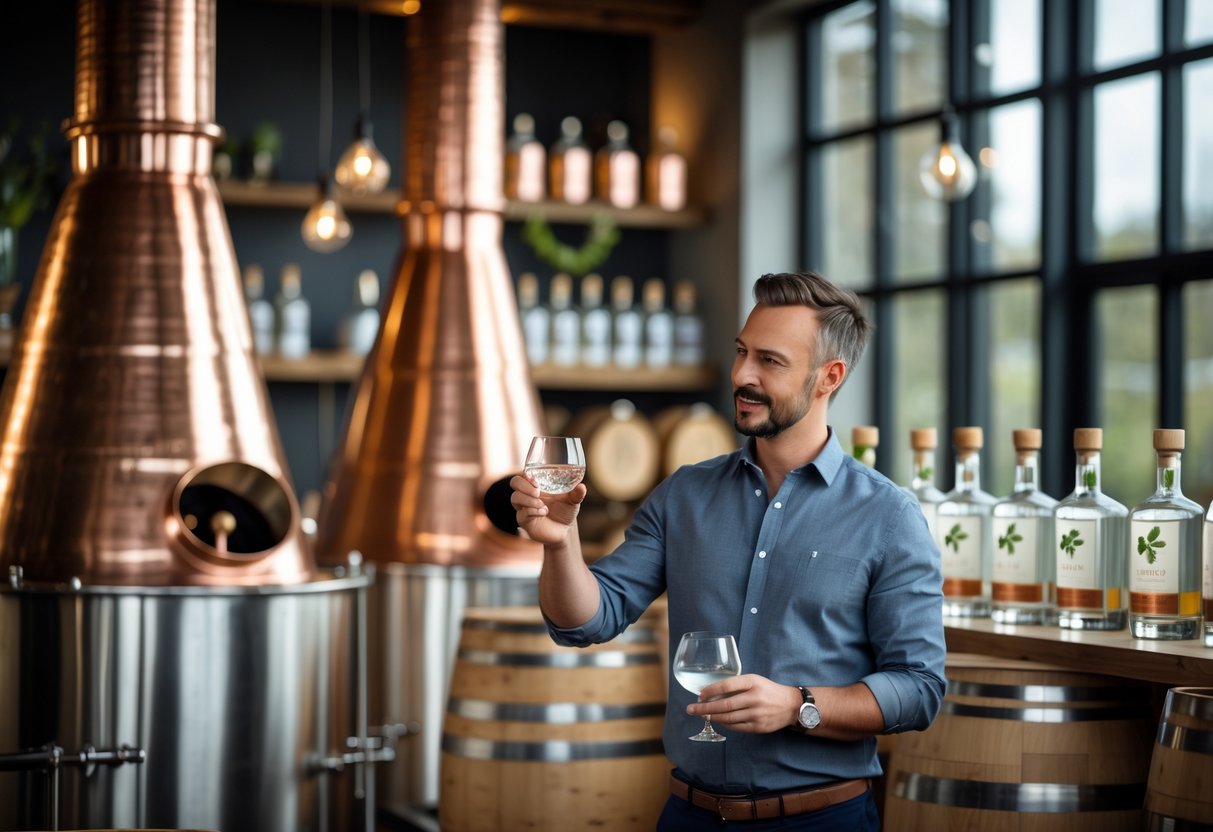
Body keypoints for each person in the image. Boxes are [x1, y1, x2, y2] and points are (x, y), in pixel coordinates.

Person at [510, 271, 946, 830]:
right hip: (689, 814)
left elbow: (919, 689)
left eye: (771, 361)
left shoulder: (889, 517)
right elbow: (587, 620)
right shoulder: (684, 494)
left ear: (828, 378)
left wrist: (798, 705)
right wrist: (560, 540)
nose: (742, 374)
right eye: (742, 352)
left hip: (820, 820)